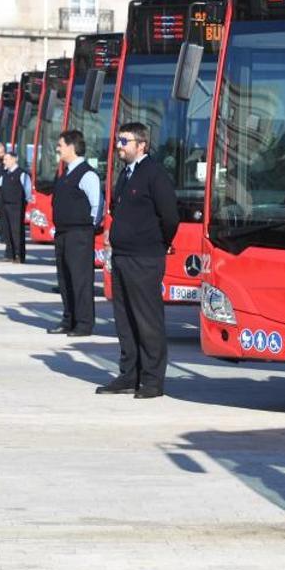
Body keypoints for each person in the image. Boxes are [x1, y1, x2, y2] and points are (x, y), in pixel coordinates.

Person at [96, 122, 179, 399]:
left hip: (145, 258)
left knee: (147, 320)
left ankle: (152, 381)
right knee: (125, 319)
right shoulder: (126, 174)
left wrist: (160, 244)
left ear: (141, 145)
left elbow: (170, 217)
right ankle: (129, 374)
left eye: (124, 141)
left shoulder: (154, 174)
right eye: (118, 140)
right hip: (122, 257)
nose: (119, 146)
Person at [48, 129, 102, 338]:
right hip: (63, 234)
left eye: (61, 144)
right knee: (65, 279)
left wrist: (88, 228)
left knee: (80, 280)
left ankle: (83, 323)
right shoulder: (65, 173)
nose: (58, 148)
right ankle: (68, 319)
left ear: (71, 147)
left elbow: (97, 206)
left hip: (79, 234)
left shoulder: (87, 174)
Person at [0, 150, 32, 263]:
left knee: (16, 231)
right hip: (6, 205)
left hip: (17, 206)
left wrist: (26, 201)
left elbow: (28, 189)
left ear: (14, 159)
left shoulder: (22, 173)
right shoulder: (6, 173)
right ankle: (9, 254)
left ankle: (19, 255)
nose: (4, 162)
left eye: (6, 159)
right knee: (7, 230)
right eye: (4, 159)